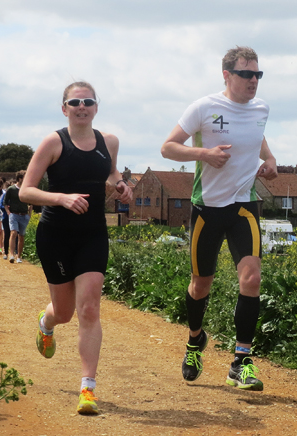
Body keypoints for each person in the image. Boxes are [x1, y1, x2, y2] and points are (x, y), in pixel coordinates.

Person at [160, 46, 277, 391]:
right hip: (208, 208)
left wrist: (269, 160)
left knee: (252, 278)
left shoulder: (261, 109)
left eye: (258, 74)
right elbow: (168, 147)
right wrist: (203, 154)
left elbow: (257, 137)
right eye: (246, 74)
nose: (253, 81)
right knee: (201, 285)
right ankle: (195, 341)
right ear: (227, 75)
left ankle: (241, 361)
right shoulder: (204, 107)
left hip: (244, 206)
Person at [19, 81, 133, 415]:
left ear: (96, 107)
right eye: (74, 102)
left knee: (90, 309)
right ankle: (47, 322)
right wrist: (60, 198)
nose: (81, 106)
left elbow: (110, 173)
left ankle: (88, 388)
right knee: (65, 312)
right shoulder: (53, 143)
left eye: (88, 101)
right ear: (64, 108)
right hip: (56, 235)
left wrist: (122, 186)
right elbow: (25, 191)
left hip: (93, 233)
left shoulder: (108, 142)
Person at [3, 170, 32, 264]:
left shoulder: (27, 189)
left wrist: (29, 214)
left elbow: (31, 202)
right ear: (20, 179)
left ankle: (19, 256)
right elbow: (5, 202)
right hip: (14, 214)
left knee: (21, 236)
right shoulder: (11, 189)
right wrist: (8, 213)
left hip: (24, 215)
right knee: (13, 233)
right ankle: (11, 254)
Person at [0, 178, 14, 260]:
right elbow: (1, 206)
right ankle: (6, 253)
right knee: (7, 234)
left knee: (14, 235)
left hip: (14, 217)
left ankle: (14, 253)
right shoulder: (4, 195)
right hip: (6, 217)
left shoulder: (15, 196)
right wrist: (8, 208)